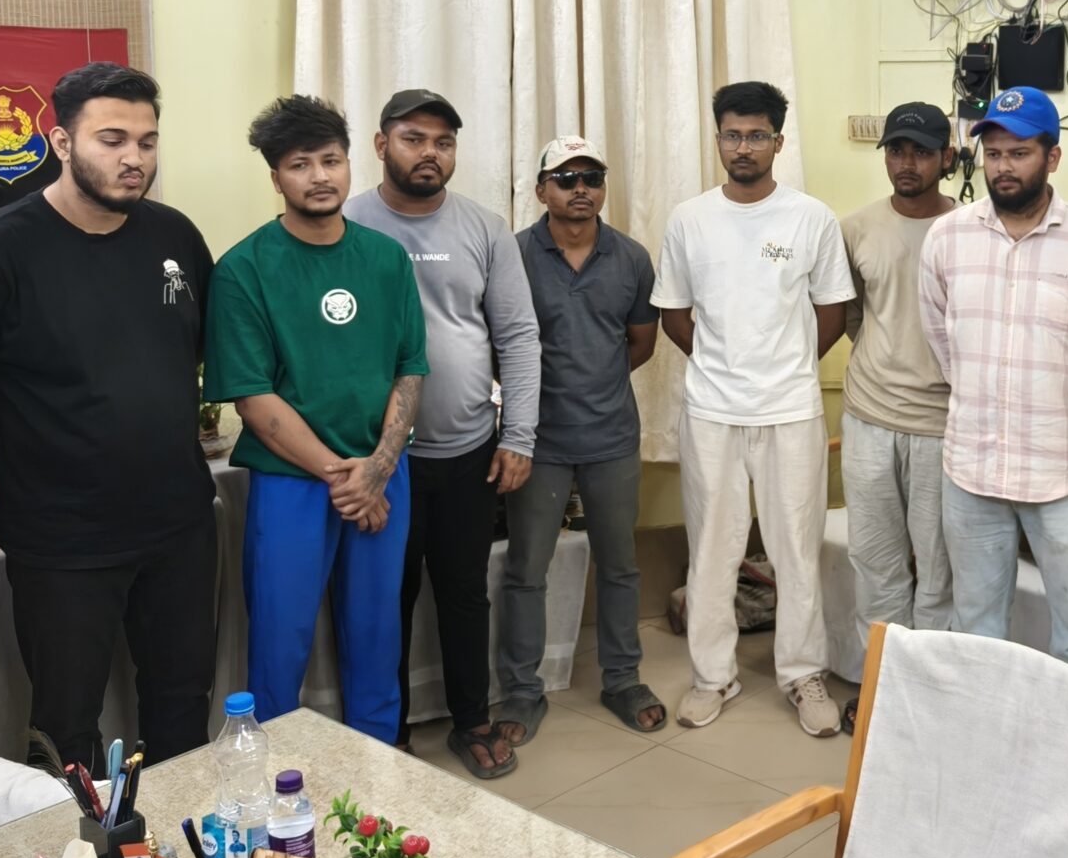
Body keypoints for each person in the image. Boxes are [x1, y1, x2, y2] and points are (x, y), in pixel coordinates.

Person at [0, 63, 215, 770]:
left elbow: (193, 355)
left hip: (179, 524)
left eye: (147, 141)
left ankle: (179, 834)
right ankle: (72, 848)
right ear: (60, 142)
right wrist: (52, 442)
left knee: (183, 701)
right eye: (112, 140)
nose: (134, 158)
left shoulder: (174, 236)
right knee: (65, 724)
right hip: (63, 536)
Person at [204, 96, 427, 746]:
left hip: (381, 473)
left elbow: (410, 369)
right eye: (300, 164)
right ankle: (276, 779)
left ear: (351, 164)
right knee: (280, 642)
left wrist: (378, 469)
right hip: (293, 483)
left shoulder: (386, 259)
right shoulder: (244, 269)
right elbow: (254, 400)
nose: (320, 176)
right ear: (276, 177)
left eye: (331, 160)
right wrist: (346, 479)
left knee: (377, 635)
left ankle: (376, 768)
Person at [918, 87, 1068, 684]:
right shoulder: (947, 238)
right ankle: (988, 740)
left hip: (1062, 474)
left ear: (1053, 158)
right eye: (994, 153)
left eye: (1019, 153)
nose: (1003, 167)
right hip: (972, 471)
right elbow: (943, 341)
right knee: (976, 630)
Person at [346, 90, 540, 779]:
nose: (429, 152)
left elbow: (517, 335)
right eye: (413, 138)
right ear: (381, 145)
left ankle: (471, 719)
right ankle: (388, 730)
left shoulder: (485, 228)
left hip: (468, 452)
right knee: (385, 598)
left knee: (464, 592)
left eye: (443, 141)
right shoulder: (347, 222)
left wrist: (519, 435)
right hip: (381, 461)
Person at [653, 80, 854, 735]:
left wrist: (783, 365)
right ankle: (713, 676)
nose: (744, 147)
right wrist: (724, 364)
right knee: (712, 549)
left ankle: (802, 674)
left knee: (796, 547)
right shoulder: (689, 219)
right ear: (718, 140)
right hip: (712, 411)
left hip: (790, 409)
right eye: (733, 135)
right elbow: (675, 315)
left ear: (778, 142)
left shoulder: (810, 218)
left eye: (757, 135)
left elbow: (832, 312)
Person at [496, 136, 664, 743]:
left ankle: (622, 679)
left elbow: (640, 344)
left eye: (592, 177)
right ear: (542, 189)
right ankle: (522, 690)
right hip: (535, 441)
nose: (581, 189)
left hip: (611, 437)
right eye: (566, 179)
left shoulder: (631, 258)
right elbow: (497, 345)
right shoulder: (512, 255)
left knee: (620, 566)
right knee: (526, 569)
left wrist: (594, 384)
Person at [837, 103, 958, 729]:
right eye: (896, 150)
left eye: (921, 152)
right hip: (869, 418)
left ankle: (930, 700)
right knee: (876, 562)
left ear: (946, 157)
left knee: (938, 572)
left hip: (943, 426)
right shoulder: (856, 228)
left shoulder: (969, 230)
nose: (907, 163)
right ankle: (880, 690)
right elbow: (851, 314)